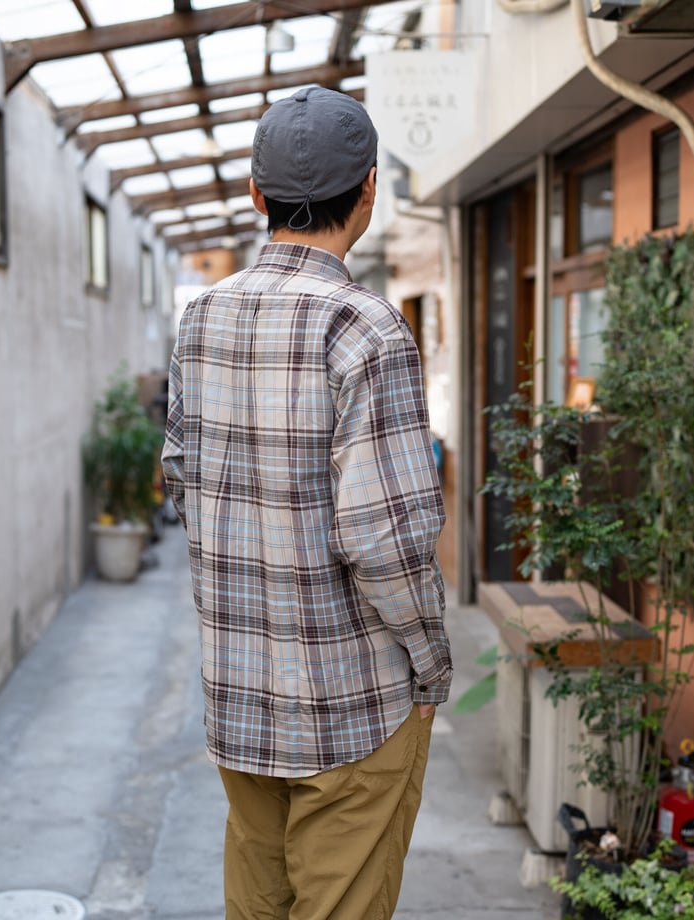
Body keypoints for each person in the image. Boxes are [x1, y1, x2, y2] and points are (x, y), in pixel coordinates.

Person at [161, 85, 453, 920]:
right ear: (369, 190)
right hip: (354, 705)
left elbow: (180, 476)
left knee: (256, 902)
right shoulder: (367, 328)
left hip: (239, 693)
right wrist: (430, 659)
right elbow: (383, 537)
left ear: (257, 195)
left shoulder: (202, 318)